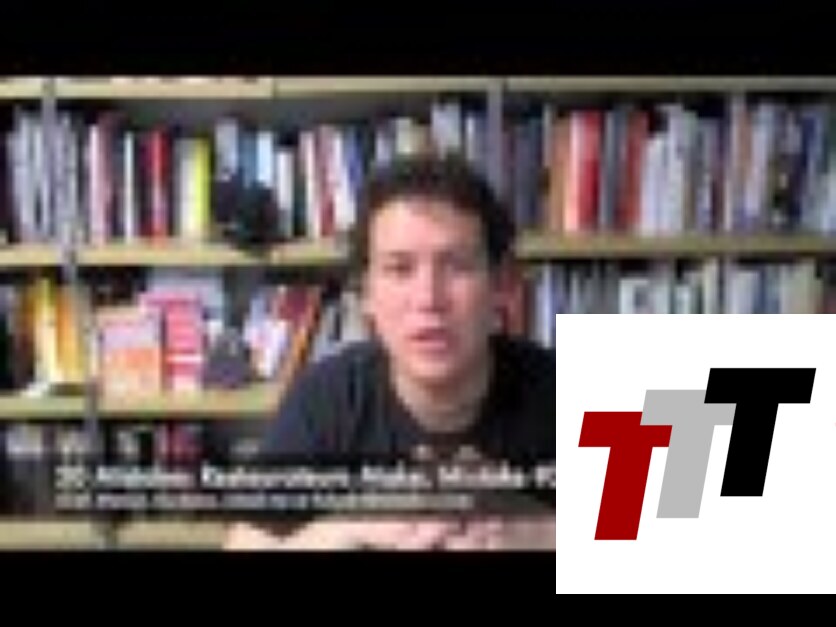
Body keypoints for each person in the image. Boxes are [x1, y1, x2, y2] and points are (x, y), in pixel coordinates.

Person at [224, 152, 555, 550]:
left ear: (502, 286)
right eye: (399, 269)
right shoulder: (327, 396)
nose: (428, 299)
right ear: (366, 294)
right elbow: (245, 541)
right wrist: (349, 526)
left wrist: (535, 532)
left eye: (457, 266)